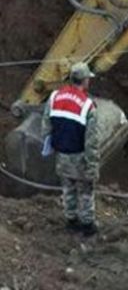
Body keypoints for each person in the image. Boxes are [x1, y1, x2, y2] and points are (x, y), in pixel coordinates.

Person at [41, 62, 101, 237]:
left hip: (61, 154)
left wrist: (50, 146)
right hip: (79, 155)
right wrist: (93, 166)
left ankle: (71, 219)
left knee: (68, 189)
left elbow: (46, 126)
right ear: (85, 81)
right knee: (86, 191)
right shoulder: (88, 105)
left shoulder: (54, 97)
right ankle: (88, 225)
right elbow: (91, 142)